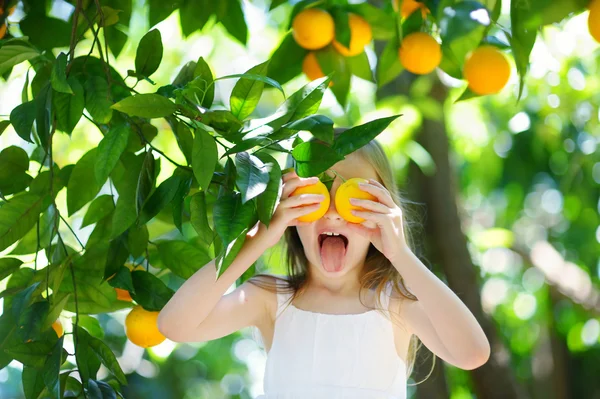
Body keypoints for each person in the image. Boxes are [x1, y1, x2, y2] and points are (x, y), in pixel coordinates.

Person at [157, 130, 491, 399]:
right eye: (313, 196)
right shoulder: (271, 298)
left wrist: (400, 253)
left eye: (353, 199)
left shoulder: (394, 302)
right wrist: (254, 241)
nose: (332, 212)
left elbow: (472, 354)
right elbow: (175, 326)